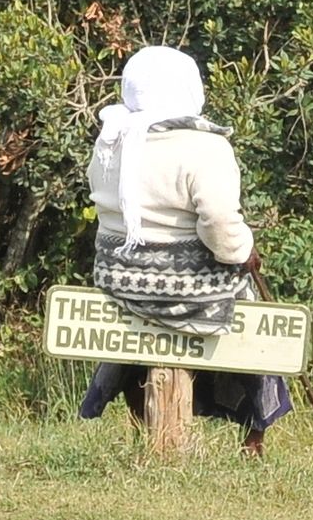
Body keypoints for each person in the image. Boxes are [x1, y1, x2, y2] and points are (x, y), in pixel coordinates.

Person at [78, 45, 288, 450]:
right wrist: (244, 251)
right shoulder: (204, 146)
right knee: (257, 327)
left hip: (120, 283)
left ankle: (143, 422)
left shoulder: (111, 141)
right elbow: (220, 223)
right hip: (188, 291)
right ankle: (253, 437)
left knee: (137, 327)